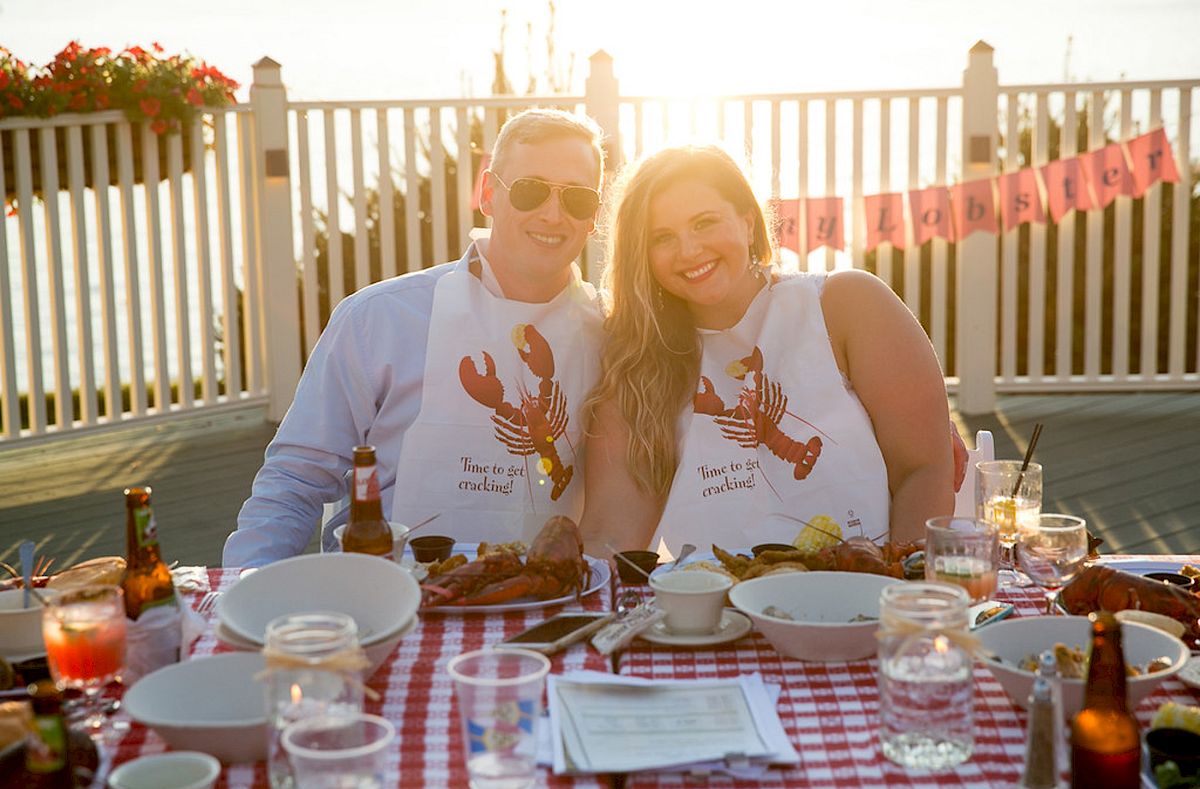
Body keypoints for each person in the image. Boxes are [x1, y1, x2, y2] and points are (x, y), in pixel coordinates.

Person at [223, 109, 607, 568]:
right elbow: (296, 478)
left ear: (594, 219)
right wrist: (242, 588)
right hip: (387, 593)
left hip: (547, 595)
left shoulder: (614, 333)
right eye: (530, 190)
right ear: (488, 193)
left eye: (578, 199)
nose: (552, 213)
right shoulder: (377, 319)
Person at [579, 144, 955, 558]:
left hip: (864, 594)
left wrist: (901, 587)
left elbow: (924, 469)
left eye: (704, 223)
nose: (689, 250)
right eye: (662, 237)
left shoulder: (847, 304)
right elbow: (611, 534)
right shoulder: (638, 361)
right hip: (718, 613)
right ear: (642, 257)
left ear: (747, 220)